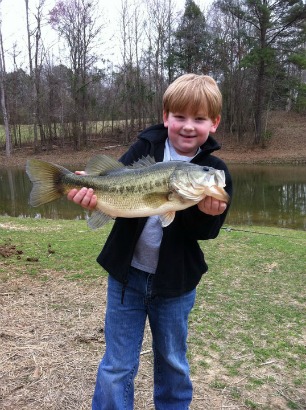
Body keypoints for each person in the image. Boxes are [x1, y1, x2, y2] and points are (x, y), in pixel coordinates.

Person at [67, 74, 233, 410]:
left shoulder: (214, 170)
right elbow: (117, 191)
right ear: (165, 117)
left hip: (175, 287)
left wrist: (209, 213)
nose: (188, 126)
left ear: (213, 123)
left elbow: (206, 232)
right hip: (126, 277)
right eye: (180, 117)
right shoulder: (146, 147)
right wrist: (93, 195)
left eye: (199, 119)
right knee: (117, 364)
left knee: (172, 363)